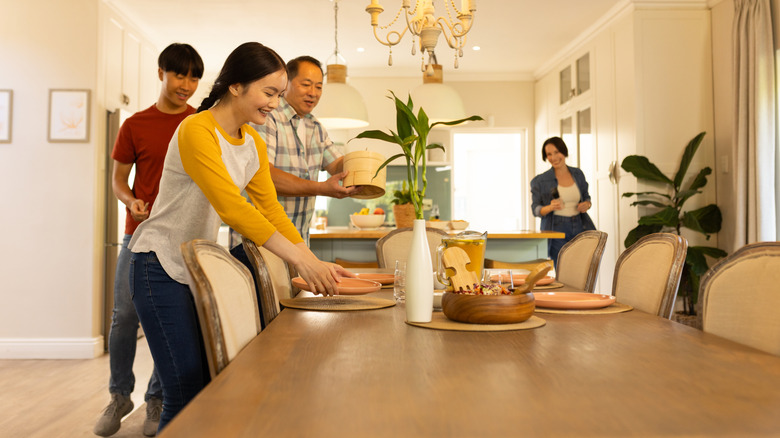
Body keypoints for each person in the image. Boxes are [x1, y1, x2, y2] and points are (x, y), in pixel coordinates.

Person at [128, 42, 350, 432]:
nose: (275, 104)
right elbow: (233, 208)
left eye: (279, 95)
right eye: (269, 93)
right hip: (158, 265)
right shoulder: (197, 130)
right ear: (235, 86)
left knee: (206, 387)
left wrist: (311, 258)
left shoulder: (253, 144)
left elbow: (271, 211)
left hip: (198, 268)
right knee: (182, 392)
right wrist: (300, 260)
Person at [94, 43, 203, 438]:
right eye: (179, 74)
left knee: (170, 318)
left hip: (183, 240)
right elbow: (118, 180)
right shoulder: (135, 125)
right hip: (136, 235)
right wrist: (130, 200)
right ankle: (119, 395)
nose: (186, 84)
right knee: (124, 317)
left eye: (193, 77)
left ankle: (156, 398)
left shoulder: (199, 124)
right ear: (161, 72)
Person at [252, 56, 359, 243]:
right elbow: (265, 176)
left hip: (298, 241)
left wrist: (364, 165)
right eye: (306, 84)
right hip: (261, 242)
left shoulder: (315, 127)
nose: (313, 93)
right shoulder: (267, 117)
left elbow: (338, 165)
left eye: (318, 87)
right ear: (286, 84)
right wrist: (322, 188)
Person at [530, 136, 596, 268]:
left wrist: (586, 204)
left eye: (556, 152)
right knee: (563, 270)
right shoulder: (540, 180)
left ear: (563, 151)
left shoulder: (578, 174)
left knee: (582, 269)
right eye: (549, 154)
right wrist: (550, 207)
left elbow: (586, 197)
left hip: (580, 226)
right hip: (556, 228)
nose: (553, 157)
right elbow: (536, 209)